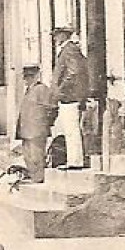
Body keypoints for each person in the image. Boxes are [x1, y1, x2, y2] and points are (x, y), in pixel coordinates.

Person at [49, 27, 91, 168]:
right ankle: (73, 160)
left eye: (57, 35)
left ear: (63, 35)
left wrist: (61, 90)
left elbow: (73, 73)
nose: (55, 39)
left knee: (72, 129)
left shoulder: (70, 49)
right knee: (69, 129)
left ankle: (76, 161)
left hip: (70, 96)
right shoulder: (66, 50)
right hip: (68, 97)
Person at [14, 65, 59, 183]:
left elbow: (53, 107)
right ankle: (34, 177)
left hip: (37, 129)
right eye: (26, 77)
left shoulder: (42, 89)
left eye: (30, 77)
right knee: (28, 156)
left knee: (36, 156)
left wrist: (46, 123)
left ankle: (38, 178)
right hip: (26, 130)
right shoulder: (29, 90)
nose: (26, 80)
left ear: (36, 76)